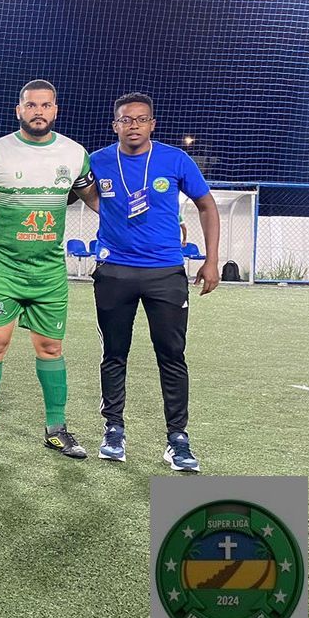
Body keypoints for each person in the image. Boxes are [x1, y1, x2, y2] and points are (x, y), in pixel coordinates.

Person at [0, 79, 99, 459]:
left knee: (51, 347)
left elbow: (97, 201)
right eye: (31, 105)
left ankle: (56, 429)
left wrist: (151, 224)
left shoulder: (74, 154)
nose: (38, 111)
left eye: (46, 105)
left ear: (56, 110)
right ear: (19, 110)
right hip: (2, 267)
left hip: (49, 271)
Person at [88, 92, 220, 472]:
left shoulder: (175, 159)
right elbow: (81, 195)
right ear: (115, 125)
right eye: (126, 120)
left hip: (165, 273)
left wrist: (211, 261)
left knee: (172, 356)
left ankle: (177, 438)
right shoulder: (97, 161)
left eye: (140, 119)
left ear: (152, 124)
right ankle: (114, 429)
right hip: (114, 272)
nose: (133, 126)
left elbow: (207, 205)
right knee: (114, 354)